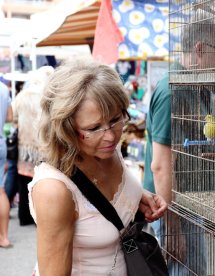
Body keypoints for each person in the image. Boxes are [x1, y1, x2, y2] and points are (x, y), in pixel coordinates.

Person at [28, 59, 167, 275]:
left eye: (115, 120)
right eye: (93, 128)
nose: (110, 136)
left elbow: (104, 202)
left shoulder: (108, 149)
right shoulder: (54, 191)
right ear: (64, 128)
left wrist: (138, 197)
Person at [144, 13, 215, 275]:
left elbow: (205, 145)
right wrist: (172, 226)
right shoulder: (174, 90)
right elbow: (161, 165)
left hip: (191, 205)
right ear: (200, 49)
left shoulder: (199, 85)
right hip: (176, 210)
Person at [12, 66, 54, 226]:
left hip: (25, 147)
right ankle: (40, 217)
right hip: (44, 147)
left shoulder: (22, 96)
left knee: (24, 182)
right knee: (43, 181)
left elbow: (13, 118)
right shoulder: (48, 97)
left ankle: (24, 216)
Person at [0, 81, 13, 248]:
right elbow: (10, 117)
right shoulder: (3, 88)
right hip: (0, 143)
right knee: (1, 191)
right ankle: (4, 237)